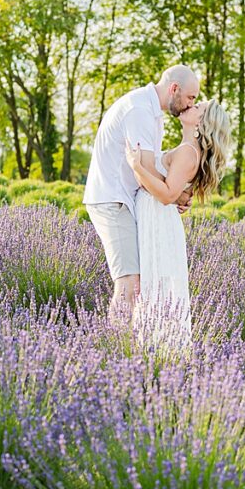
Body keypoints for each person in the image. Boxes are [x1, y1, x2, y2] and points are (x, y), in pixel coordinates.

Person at [83, 65, 200, 326]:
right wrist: (175, 194)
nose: (191, 104)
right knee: (129, 283)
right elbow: (143, 171)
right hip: (113, 200)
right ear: (174, 89)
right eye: (190, 98)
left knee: (137, 283)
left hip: (123, 199)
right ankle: (117, 348)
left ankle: (130, 345)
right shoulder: (140, 111)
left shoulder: (151, 112)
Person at [124, 99, 232, 350]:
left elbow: (166, 195)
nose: (190, 107)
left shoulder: (187, 152)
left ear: (201, 123)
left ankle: (156, 352)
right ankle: (151, 349)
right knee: (153, 285)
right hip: (157, 217)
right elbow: (173, 191)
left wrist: (136, 167)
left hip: (158, 218)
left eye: (198, 108)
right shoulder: (187, 149)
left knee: (155, 285)